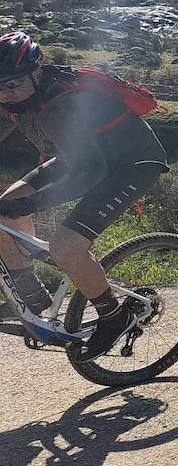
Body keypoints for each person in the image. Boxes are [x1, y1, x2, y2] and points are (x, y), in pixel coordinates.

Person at [0, 31, 168, 359]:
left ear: (36, 72)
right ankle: (36, 301)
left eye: (12, 83)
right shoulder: (17, 99)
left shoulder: (66, 104)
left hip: (131, 164)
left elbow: (91, 173)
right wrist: (18, 205)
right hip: (80, 156)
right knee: (5, 209)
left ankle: (114, 316)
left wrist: (32, 204)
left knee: (65, 244)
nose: (6, 94)